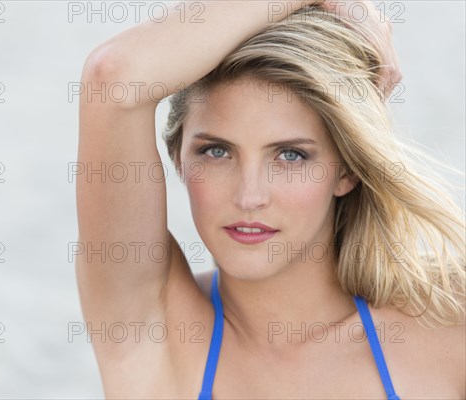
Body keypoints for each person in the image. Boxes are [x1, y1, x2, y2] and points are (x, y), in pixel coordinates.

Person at [76, 1, 465, 398]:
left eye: (290, 155)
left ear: (347, 170)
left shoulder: (448, 325)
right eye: (216, 151)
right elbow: (113, 78)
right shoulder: (153, 332)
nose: (249, 196)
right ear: (177, 158)